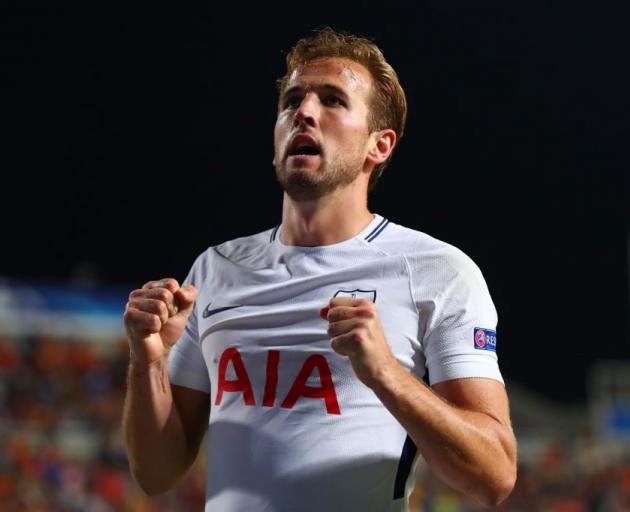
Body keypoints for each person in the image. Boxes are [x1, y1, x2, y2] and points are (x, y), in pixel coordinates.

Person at [122, 27, 517, 511]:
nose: (303, 113)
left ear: (380, 145)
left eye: (332, 100)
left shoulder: (438, 272)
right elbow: (156, 472)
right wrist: (149, 361)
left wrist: (386, 374)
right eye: (292, 101)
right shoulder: (215, 269)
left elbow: (494, 476)